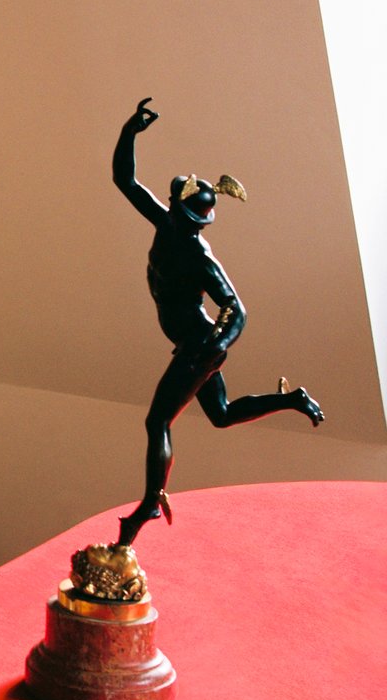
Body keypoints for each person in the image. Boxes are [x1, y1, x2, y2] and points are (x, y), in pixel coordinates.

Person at [113, 98, 323, 547]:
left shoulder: (197, 253)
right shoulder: (167, 223)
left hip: (197, 345)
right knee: (222, 416)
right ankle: (292, 399)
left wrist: (214, 344)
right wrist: (130, 131)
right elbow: (124, 180)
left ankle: (152, 499)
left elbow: (236, 307)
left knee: (157, 423)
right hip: (197, 342)